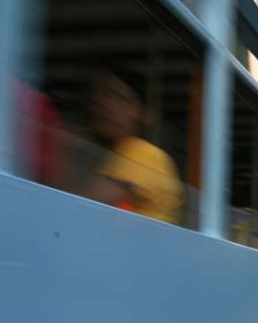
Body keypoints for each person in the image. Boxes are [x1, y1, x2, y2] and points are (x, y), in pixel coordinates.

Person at [74, 68, 183, 225]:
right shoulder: (115, 156)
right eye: (102, 96)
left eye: (120, 98)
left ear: (143, 114)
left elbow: (81, 206)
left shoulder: (141, 153)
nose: (106, 106)